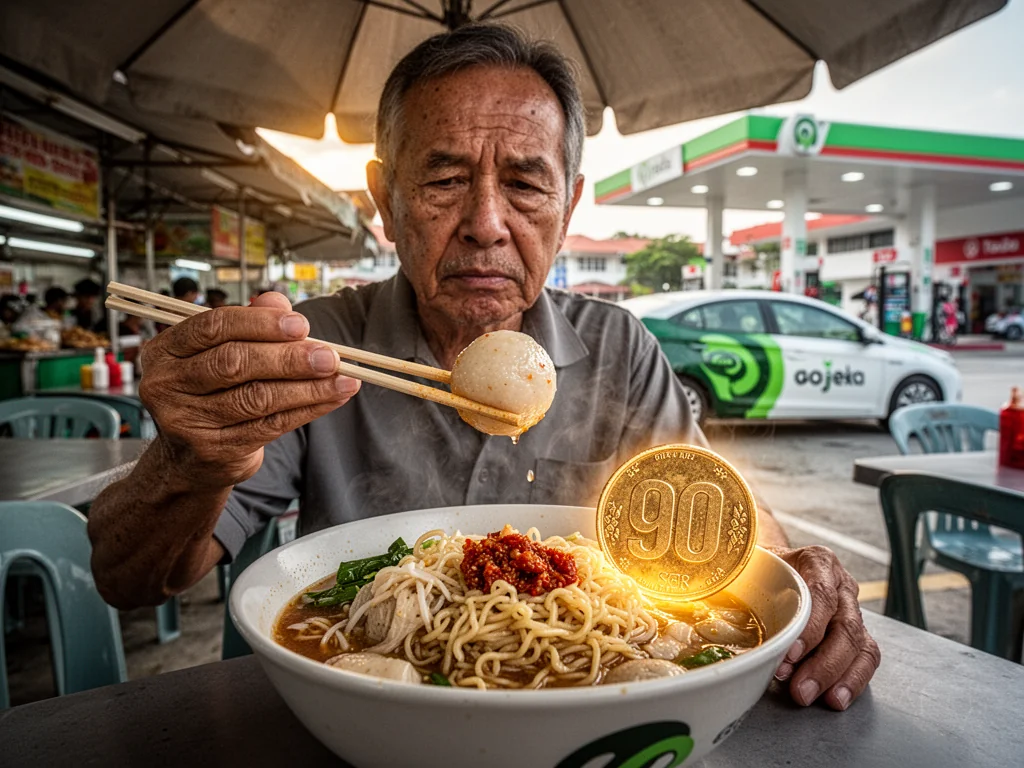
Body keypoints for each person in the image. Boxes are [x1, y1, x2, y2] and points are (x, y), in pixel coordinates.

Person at [88, 24, 878, 712]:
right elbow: (128, 577)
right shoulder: (312, 346)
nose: (486, 225)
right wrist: (189, 459)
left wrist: (798, 575)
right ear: (386, 198)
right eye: (443, 179)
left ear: (569, 206)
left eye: (527, 184)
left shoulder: (618, 349)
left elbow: (714, 519)